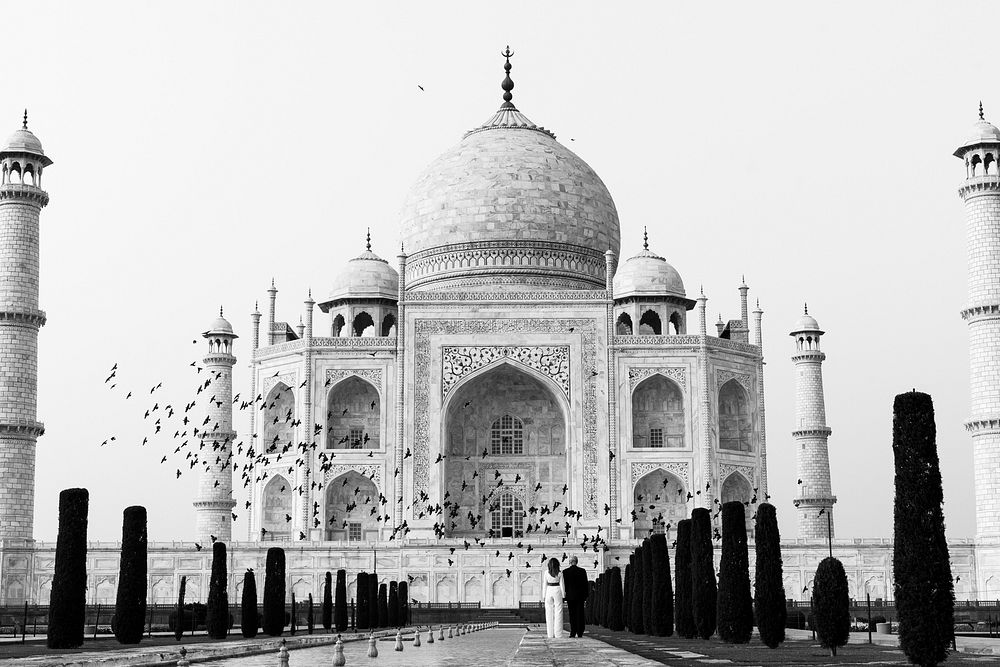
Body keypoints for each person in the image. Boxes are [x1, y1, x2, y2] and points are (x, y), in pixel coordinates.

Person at [562, 555, 589, 637]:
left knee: (572, 614)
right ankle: (580, 632)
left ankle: (573, 632)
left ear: (570, 562)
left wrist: (564, 596)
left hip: (570, 597)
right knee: (580, 614)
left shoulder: (565, 572)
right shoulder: (582, 571)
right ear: (576, 562)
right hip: (580, 596)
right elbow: (585, 584)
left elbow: (564, 585)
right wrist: (585, 596)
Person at [543, 557, 566, 639]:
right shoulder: (560, 573)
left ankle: (550, 634)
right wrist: (563, 595)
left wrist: (544, 595)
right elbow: (562, 585)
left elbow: (544, 585)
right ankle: (558, 634)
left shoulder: (546, 573)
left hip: (549, 591)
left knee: (549, 613)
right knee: (558, 612)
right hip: (557, 591)